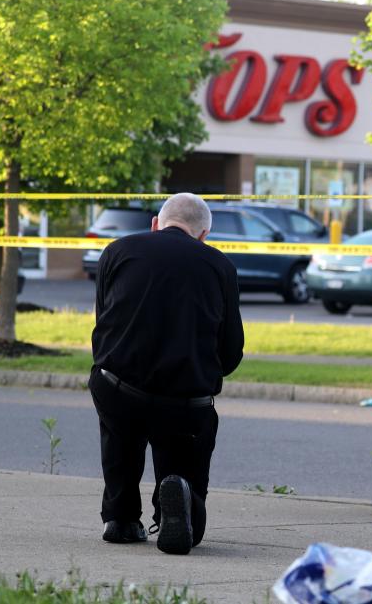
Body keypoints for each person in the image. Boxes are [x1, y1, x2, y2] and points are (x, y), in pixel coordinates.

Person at [89, 193, 244, 555]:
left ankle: (121, 518)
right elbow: (231, 348)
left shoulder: (117, 251)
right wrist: (206, 375)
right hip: (185, 398)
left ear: (156, 223)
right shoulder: (220, 266)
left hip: (119, 386)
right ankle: (180, 496)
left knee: (119, 428)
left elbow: (104, 322)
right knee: (186, 440)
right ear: (203, 235)